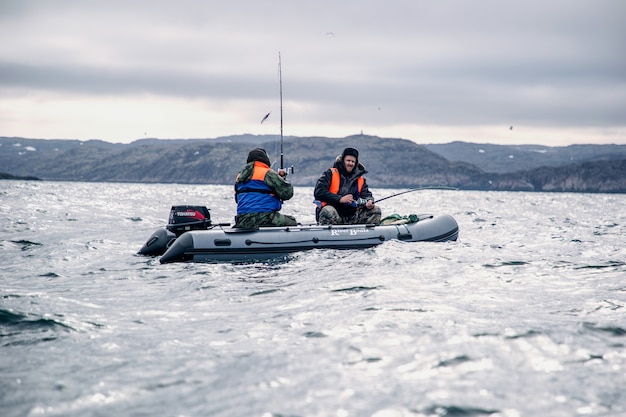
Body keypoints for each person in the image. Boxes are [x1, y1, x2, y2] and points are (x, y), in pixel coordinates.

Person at [314, 147, 381, 225]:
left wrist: (369, 201)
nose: (350, 163)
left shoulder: (361, 180)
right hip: (334, 214)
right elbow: (318, 192)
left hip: (353, 215)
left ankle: (367, 235)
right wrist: (340, 199)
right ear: (343, 161)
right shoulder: (329, 174)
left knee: (376, 210)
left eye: (353, 161)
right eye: (348, 160)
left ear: (356, 163)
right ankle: (326, 234)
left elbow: (366, 194)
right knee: (327, 211)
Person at [233, 148, 298, 228]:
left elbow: (237, 199)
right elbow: (287, 193)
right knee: (291, 221)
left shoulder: (240, 176)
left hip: (242, 219)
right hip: (264, 217)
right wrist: (281, 179)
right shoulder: (267, 173)